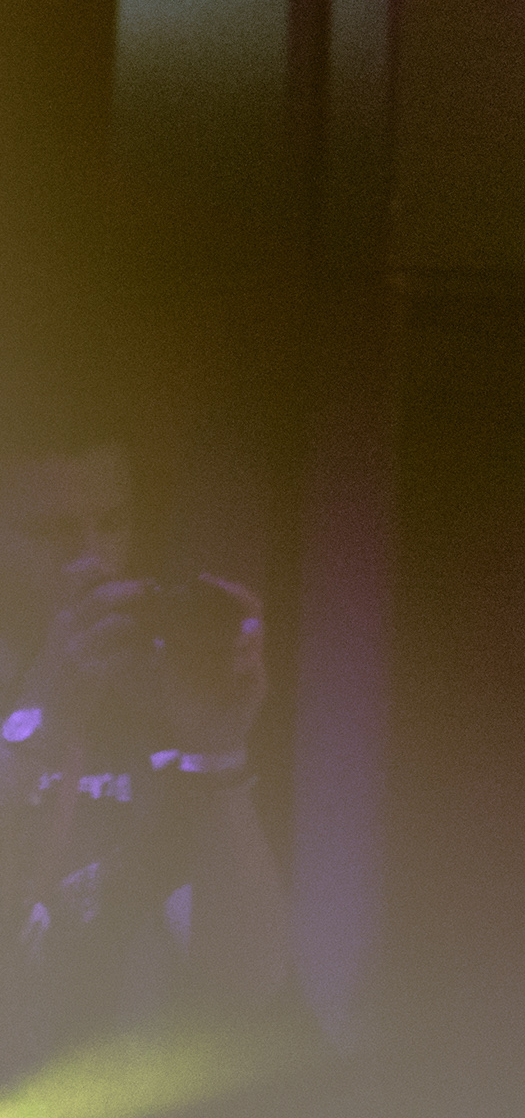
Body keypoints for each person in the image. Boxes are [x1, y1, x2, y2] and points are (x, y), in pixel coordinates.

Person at [0, 370, 289, 1087]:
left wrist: (218, 754)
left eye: (113, 523)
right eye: (53, 533)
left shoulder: (156, 699)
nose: (93, 559)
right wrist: (38, 719)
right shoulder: (35, 710)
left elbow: (248, 983)